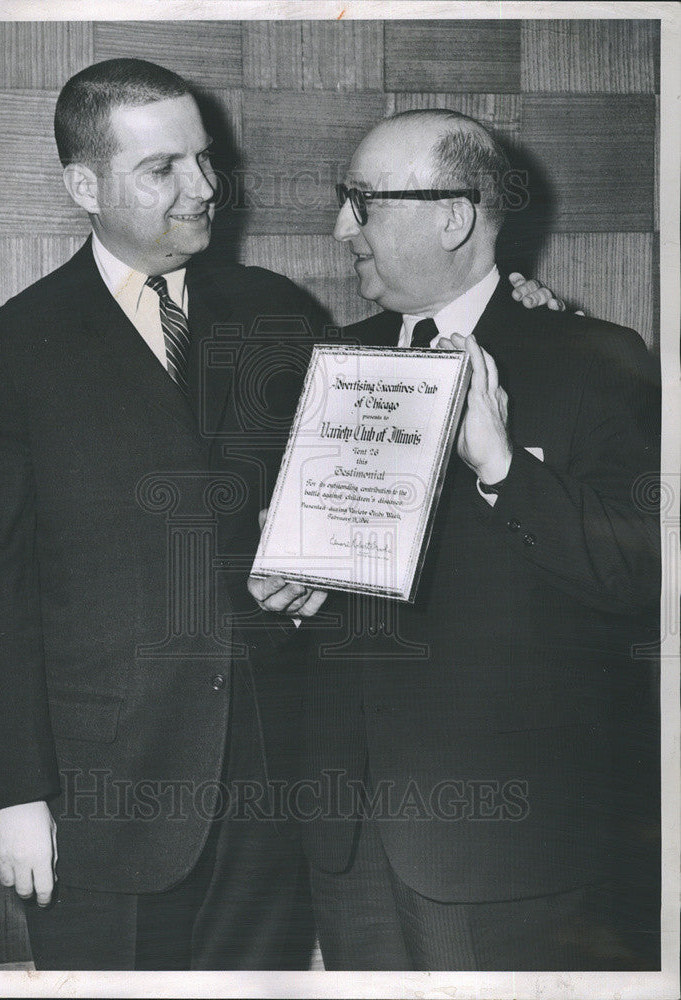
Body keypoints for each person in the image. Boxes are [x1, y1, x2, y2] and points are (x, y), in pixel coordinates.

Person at [0, 56, 561, 970]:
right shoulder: (6, 353)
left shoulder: (275, 313)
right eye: (164, 169)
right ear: (84, 186)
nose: (204, 188)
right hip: (102, 805)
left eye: (205, 158)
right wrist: (11, 795)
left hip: (275, 792)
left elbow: (401, 388)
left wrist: (519, 306)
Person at [250, 109, 661, 970]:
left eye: (361, 202)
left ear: (454, 215)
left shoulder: (597, 361)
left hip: (508, 851)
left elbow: (640, 576)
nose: (338, 227)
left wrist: (507, 470)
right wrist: (286, 591)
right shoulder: (334, 363)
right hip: (349, 840)